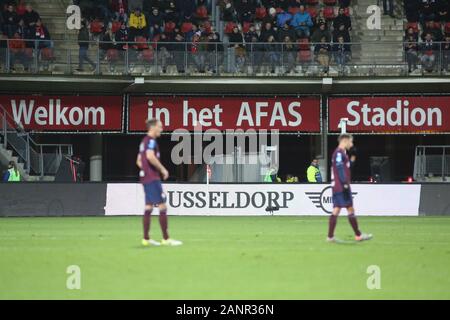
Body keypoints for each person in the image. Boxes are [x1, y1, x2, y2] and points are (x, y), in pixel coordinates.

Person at [136, 119, 182, 247]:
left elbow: (139, 160)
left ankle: (146, 238)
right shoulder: (150, 141)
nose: (162, 129)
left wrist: (144, 171)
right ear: (153, 127)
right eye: (160, 127)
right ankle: (166, 239)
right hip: (152, 178)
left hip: (145, 178)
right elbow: (150, 156)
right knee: (162, 206)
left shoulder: (144, 141)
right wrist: (162, 169)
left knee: (149, 207)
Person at [327, 134, 372, 243]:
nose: (351, 144)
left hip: (337, 186)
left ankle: (330, 237)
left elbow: (348, 168)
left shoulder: (342, 154)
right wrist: (345, 183)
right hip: (341, 186)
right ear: (345, 140)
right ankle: (358, 235)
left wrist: (353, 157)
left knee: (337, 209)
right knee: (350, 208)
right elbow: (340, 168)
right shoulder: (338, 153)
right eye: (350, 142)